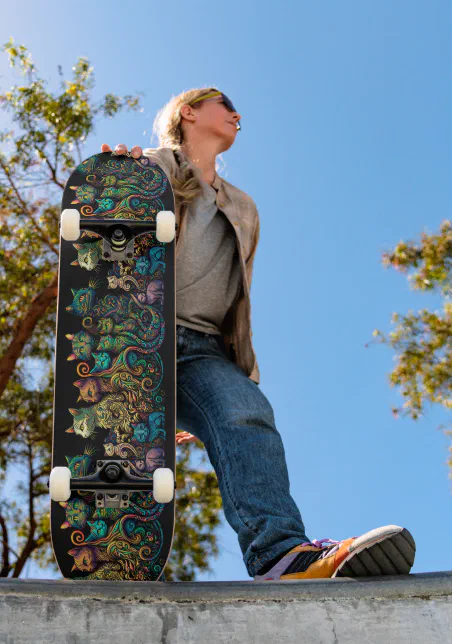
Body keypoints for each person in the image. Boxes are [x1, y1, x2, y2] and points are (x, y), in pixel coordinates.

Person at [100, 87, 416, 581]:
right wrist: (115, 177)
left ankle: (281, 557)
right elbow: (99, 228)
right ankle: (120, 563)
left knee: (246, 412)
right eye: (223, 105)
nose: (235, 114)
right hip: (139, 336)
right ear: (189, 112)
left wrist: (226, 385)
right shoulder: (148, 168)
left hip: (203, 350)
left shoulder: (244, 207)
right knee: (130, 457)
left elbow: (236, 296)